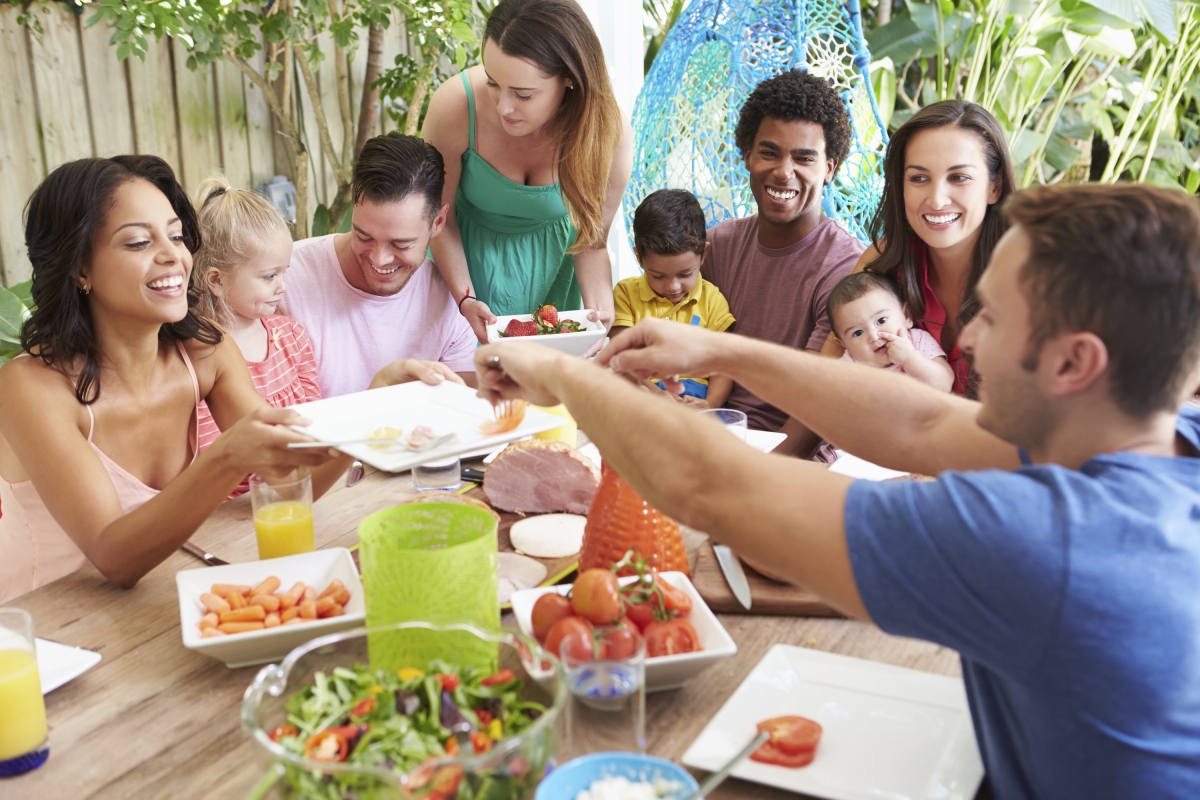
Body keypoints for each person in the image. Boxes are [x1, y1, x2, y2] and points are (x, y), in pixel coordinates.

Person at [473, 183, 1200, 798]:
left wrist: (567, 376)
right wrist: (724, 349)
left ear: (1076, 362)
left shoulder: (1056, 541)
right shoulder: (1154, 431)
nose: (968, 338)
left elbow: (714, 486)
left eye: (995, 318)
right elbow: (922, 422)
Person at [0, 157, 344, 601]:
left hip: (152, 601)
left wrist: (378, 406)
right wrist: (227, 457)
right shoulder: (31, 386)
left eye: (177, 235)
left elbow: (292, 478)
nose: (174, 256)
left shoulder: (205, 352)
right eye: (140, 242)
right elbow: (113, 556)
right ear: (80, 268)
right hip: (43, 626)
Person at [423, 0, 632, 346]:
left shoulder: (610, 134)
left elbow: (592, 242)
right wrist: (465, 298)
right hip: (457, 273)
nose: (503, 107)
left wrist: (601, 312)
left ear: (569, 79)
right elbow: (436, 221)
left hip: (549, 282)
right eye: (493, 82)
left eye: (523, 94)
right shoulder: (456, 107)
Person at [700, 68, 863, 450]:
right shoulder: (717, 246)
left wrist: (758, 475)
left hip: (787, 455)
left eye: (804, 158)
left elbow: (815, 405)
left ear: (829, 169)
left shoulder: (845, 267)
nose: (783, 171)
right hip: (706, 433)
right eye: (769, 152)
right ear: (746, 155)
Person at [823, 100, 1016, 396]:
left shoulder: (1032, 275)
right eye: (918, 178)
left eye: (958, 177)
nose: (937, 200)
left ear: (995, 186)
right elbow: (826, 383)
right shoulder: (882, 263)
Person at [283, 133, 478, 397]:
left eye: (401, 245)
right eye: (364, 237)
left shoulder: (449, 300)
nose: (379, 259)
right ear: (354, 202)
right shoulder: (283, 278)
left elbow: (462, 411)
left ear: (438, 222)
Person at [189, 177, 322, 475]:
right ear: (216, 280)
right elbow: (209, 455)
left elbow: (315, 423)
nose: (283, 287)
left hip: (298, 485)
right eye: (269, 276)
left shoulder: (293, 337)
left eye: (284, 272)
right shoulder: (197, 356)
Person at [611, 189, 734, 408]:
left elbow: (724, 367)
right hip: (642, 394)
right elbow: (624, 360)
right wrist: (657, 396)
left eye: (685, 274)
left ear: (703, 254)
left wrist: (710, 404)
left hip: (696, 399)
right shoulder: (626, 295)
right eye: (658, 276)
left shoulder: (712, 300)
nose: (673, 287)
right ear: (639, 258)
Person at [826, 272, 951, 390]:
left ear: (906, 316)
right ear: (843, 344)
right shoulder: (848, 366)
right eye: (858, 332)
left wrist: (909, 358)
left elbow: (944, 384)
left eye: (881, 320)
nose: (874, 336)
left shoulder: (918, 342)